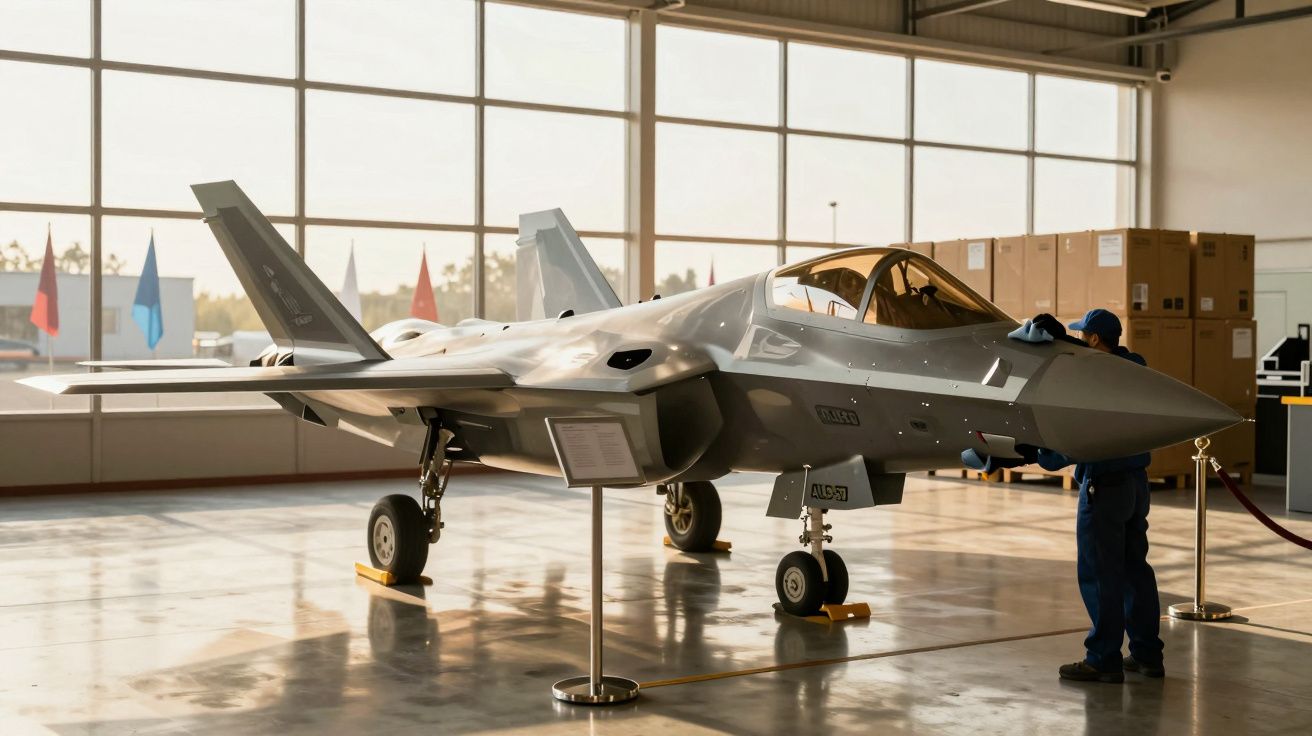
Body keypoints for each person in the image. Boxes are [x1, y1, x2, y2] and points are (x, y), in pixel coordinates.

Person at [966, 308, 1166, 684]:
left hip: (1102, 488)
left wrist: (1030, 453)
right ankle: (1146, 654)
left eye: (1082, 336)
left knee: (1101, 574)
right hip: (1136, 485)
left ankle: (1104, 657)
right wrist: (1069, 341)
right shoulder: (1132, 369)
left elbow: (1078, 439)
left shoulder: (1091, 382)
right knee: (1135, 570)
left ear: (1093, 339)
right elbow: (1111, 363)